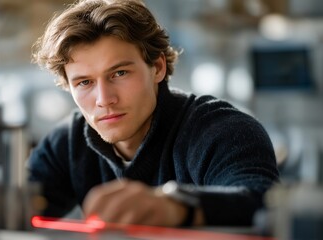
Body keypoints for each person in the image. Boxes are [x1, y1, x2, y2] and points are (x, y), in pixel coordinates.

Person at [29, 0, 279, 227]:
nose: (104, 100)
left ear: (157, 67)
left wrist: (177, 207)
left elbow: (268, 202)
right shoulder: (68, 141)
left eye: (120, 73)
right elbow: (15, 207)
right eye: (84, 82)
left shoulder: (222, 130)